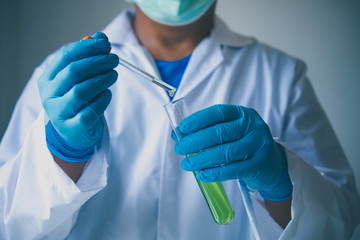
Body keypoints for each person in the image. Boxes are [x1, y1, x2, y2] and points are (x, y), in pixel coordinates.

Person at [0, 0, 359, 239]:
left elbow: (340, 224)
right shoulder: (62, 77)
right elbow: (8, 223)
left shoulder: (280, 76)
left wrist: (282, 180)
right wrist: (62, 153)